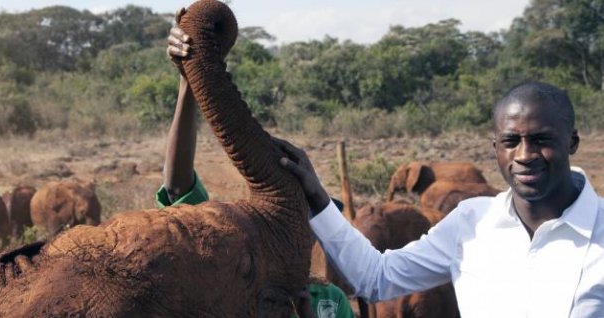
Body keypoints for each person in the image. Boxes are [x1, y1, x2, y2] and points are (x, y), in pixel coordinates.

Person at [278, 81, 604, 317]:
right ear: (495, 148)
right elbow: (376, 277)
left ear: (572, 142)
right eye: (510, 141)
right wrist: (317, 196)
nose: (524, 155)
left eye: (541, 140)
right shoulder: (473, 223)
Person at [158, 8, 355, 318]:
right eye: (290, 219)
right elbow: (177, 187)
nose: (302, 232)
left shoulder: (328, 301)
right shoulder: (224, 283)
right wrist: (189, 83)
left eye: (309, 219)